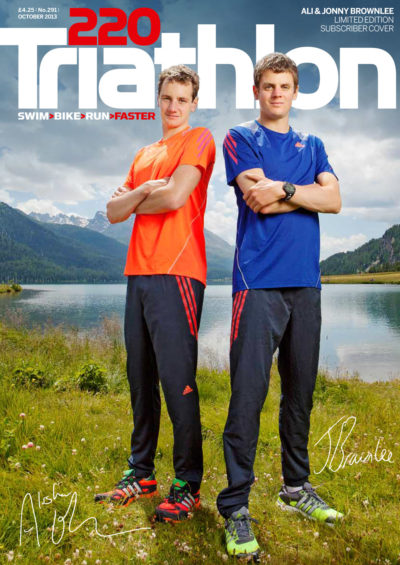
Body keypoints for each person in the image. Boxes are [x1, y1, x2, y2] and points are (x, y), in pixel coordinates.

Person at [216, 53, 343, 559]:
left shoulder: (312, 144)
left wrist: (287, 187)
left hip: (305, 285)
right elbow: (258, 200)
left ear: (295, 91)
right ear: (256, 90)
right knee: (248, 395)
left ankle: (296, 488)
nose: (276, 93)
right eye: (268, 85)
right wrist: (308, 191)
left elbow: (335, 202)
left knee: (300, 393)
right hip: (258, 283)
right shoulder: (240, 138)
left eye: (284, 85)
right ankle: (235, 507)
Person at [96, 65, 215, 523]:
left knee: (177, 382)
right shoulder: (144, 153)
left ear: (192, 103)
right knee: (140, 379)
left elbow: (174, 198)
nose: (173, 107)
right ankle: (141, 474)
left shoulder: (198, 138)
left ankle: (187, 485)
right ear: (157, 99)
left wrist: (137, 198)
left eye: (182, 99)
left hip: (179, 273)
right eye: (167, 98)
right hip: (139, 274)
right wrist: (145, 187)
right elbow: (110, 212)